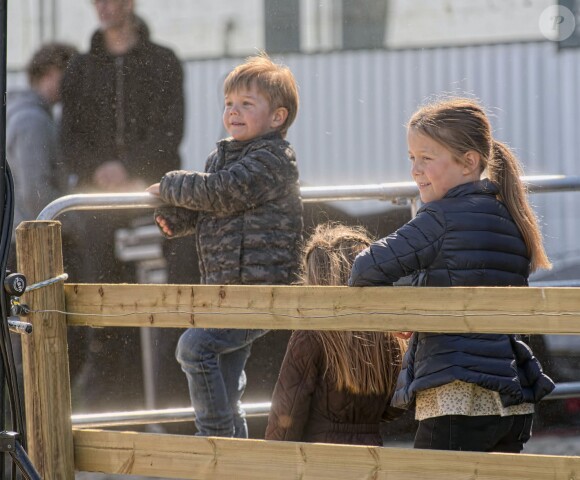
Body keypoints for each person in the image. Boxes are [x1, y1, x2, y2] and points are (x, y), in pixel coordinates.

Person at [349, 97, 555, 453]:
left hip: (456, 395)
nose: (415, 170)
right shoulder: (511, 217)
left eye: (426, 158)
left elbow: (364, 268)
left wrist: (402, 311)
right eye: (411, 158)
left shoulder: (441, 217)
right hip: (512, 393)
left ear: (468, 162)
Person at [146, 52, 303, 438]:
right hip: (227, 288)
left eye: (247, 104)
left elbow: (224, 192)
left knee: (194, 349)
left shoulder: (274, 159)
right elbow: (213, 208)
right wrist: (178, 217)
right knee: (228, 378)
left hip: (259, 289)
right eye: (229, 104)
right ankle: (237, 459)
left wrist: (170, 185)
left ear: (277, 118)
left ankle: (213, 439)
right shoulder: (221, 156)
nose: (234, 111)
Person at [59, 0, 185, 412]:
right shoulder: (79, 69)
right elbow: (70, 138)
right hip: (98, 201)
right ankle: (102, 367)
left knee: (178, 261)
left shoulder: (163, 62)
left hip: (150, 192)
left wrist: (133, 170)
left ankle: (170, 382)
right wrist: (101, 171)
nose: (103, 7)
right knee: (91, 272)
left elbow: (171, 130)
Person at [265, 223, 407, 445]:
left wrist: (273, 465)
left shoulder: (312, 335)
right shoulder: (389, 336)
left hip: (319, 459)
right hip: (372, 457)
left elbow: (288, 411)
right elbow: (394, 408)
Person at [7, 43, 77, 241]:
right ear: (50, 73)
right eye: (67, 75)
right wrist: (73, 225)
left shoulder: (25, 114)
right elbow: (35, 191)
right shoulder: (32, 120)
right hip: (31, 239)